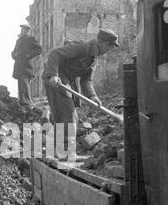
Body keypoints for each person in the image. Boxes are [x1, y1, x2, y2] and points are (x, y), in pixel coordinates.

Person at [42, 29, 120, 159]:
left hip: (68, 81)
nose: (109, 50)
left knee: (66, 115)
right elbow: (55, 54)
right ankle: (66, 152)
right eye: (110, 46)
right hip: (57, 80)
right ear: (104, 44)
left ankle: (61, 151)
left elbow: (86, 80)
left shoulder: (94, 60)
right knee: (69, 115)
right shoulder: (82, 47)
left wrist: (93, 96)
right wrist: (53, 75)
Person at [11, 24, 42, 108]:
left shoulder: (31, 39)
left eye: (24, 30)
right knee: (20, 84)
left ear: (28, 31)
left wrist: (28, 55)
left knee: (24, 83)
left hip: (26, 65)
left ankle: (27, 102)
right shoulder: (18, 41)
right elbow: (13, 52)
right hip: (18, 65)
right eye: (22, 30)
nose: (22, 31)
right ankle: (22, 102)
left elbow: (39, 49)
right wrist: (14, 55)